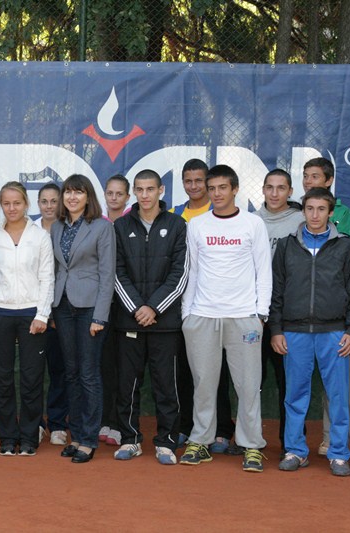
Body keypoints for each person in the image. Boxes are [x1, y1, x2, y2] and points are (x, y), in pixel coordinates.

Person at [179, 164, 271, 472]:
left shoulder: (253, 224)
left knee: (248, 386)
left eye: (222, 188)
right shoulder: (197, 225)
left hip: (244, 317)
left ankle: (252, 446)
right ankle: (200, 441)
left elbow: (263, 271)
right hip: (202, 317)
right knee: (204, 384)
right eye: (212, 188)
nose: (216, 193)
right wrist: (188, 315)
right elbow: (191, 272)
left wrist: (260, 314)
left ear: (235, 189)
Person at [271, 188, 350, 476]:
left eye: (321, 209)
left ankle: (339, 453)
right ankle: (296, 450)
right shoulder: (286, 245)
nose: (315, 215)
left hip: (334, 332)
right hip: (295, 332)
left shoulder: (344, 246)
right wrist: (276, 330)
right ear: (303, 211)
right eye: (310, 209)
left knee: (338, 395)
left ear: (331, 213)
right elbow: (277, 291)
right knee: (295, 395)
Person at [112, 170, 187, 465]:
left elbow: (180, 275)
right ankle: (130, 439)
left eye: (150, 189)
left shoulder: (177, 225)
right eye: (140, 189)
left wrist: (154, 308)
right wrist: (137, 308)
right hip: (129, 321)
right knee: (127, 386)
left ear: (160, 190)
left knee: (166, 386)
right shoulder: (120, 226)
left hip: (164, 324)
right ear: (134, 192)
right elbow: (116, 272)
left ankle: (166, 442)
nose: (145, 195)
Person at [170, 159, 235, 454]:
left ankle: (222, 430)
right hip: (186, 306)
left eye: (199, 181)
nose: (194, 186)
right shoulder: (175, 216)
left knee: (217, 374)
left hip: (220, 307)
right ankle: (187, 426)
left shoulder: (220, 213)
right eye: (189, 181)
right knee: (187, 371)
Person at [0, 182, 54, 456]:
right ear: (1, 205)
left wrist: (42, 314)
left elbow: (47, 277)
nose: (11, 208)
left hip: (32, 314)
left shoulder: (40, 236)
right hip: (0, 313)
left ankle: (28, 437)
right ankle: (6, 437)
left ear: (26, 204)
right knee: (1, 378)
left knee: (31, 378)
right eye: (6, 203)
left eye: (17, 203)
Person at [52, 174, 115, 464]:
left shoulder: (102, 227)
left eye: (78, 192)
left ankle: (89, 439)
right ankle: (76, 435)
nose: (72, 197)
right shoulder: (57, 227)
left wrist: (100, 316)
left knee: (89, 374)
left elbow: (107, 274)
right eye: (68, 192)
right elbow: (57, 269)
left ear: (88, 197)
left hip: (90, 309)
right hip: (63, 306)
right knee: (71, 372)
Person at [302, 156, 350, 455]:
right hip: (301, 318)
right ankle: (310, 442)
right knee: (301, 388)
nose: (308, 181)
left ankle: (348, 440)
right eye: (305, 176)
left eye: (314, 176)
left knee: (341, 386)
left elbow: (342, 256)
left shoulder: (346, 214)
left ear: (329, 181)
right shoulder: (297, 214)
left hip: (337, 316)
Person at [253, 169, 304, 456]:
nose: (274, 193)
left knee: (289, 382)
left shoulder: (300, 221)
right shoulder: (251, 221)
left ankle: (291, 442)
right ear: (262, 189)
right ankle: (249, 440)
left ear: (290, 191)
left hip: (287, 316)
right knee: (251, 382)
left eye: (281, 188)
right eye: (270, 187)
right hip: (254, 314)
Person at [35, 183, 69, 447]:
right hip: (34, 312)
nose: (49, 206)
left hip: (61, 312)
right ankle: (35, 423)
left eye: (53, 201)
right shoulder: (30, 231)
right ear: (38, 204)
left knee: (59, 370)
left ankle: (57, 424)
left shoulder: (68, 231)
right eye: (44, 201)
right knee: (33, 372)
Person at [99, 174, 129, 446]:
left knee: (124, 368)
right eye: (110, 193)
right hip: (103, 306)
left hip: (128, 307)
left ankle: (121, 424)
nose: (114, 198)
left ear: (127, 197)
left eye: (120, 193)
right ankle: (105, 420)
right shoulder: (98, 222)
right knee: (105, 366)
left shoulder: (133, 222)